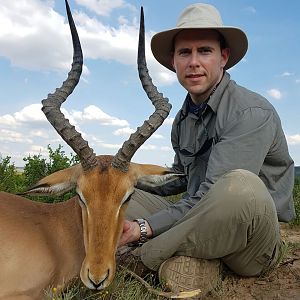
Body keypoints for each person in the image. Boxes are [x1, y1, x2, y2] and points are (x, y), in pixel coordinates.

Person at [118, 3, 295, 296]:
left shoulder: (250, 111)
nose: (194, 62)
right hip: (200, 218)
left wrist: (145, 228)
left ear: (223, 57)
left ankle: (141, 258)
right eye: (184, 53)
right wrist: (129, 176)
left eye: (205, 51)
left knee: (239, 186)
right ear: (173, 61)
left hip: (251, 240)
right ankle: (197, 261)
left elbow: (215, 192)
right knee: (120, 192)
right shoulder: (183, 119)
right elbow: (183, 178)